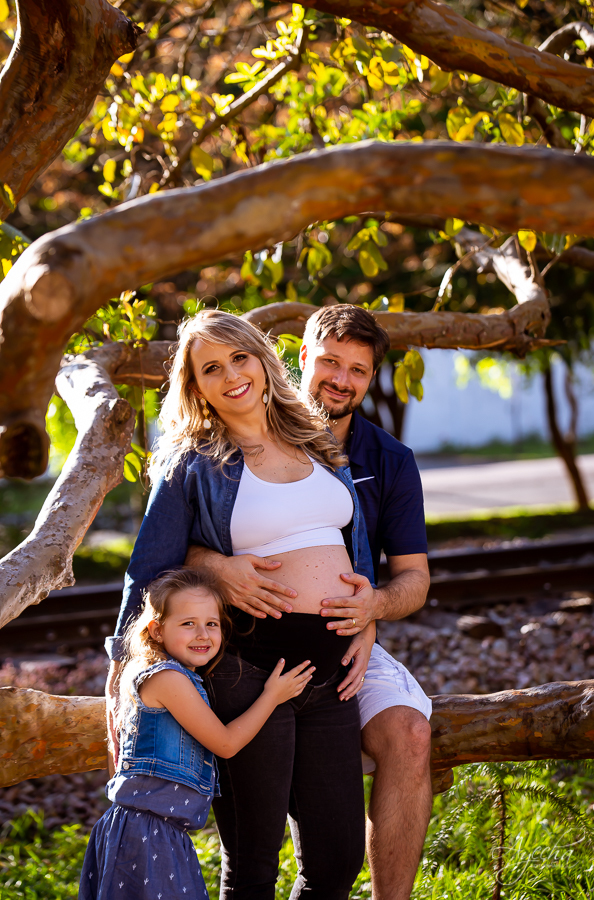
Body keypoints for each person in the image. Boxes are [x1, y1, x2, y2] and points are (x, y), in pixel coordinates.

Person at [105, 309, 375, 900]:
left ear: (262, 359)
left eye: (239, 357)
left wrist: (368, 618)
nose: (230, 375)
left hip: (330, 676)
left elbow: (351, 545)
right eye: (211, 369)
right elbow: (149, 571)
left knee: (337, 861)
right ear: (195, 387)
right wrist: (122, 671)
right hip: (247, 670)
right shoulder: (191, 462)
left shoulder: (314, 438)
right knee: (254, 863)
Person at [188, 305, 432, 900]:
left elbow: (413, 581)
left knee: (408, 736)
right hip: (254, 649)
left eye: (358, 370)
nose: (341, 380)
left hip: (345, 642)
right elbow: (167, 550)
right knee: (254, 858)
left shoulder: (388, 460)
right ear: (301, 357)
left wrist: (372, 610)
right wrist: (216, 568)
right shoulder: (233, 436)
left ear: (371, 378)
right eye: (329, 362)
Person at [83, 567, 314, 900]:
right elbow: (226, 743)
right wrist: (272, 696)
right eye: (188, 623)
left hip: (160, 831)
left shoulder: (177, 676)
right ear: (157, 630)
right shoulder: (167, 679)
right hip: (147, 833)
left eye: (212, 624)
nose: (203, 634)